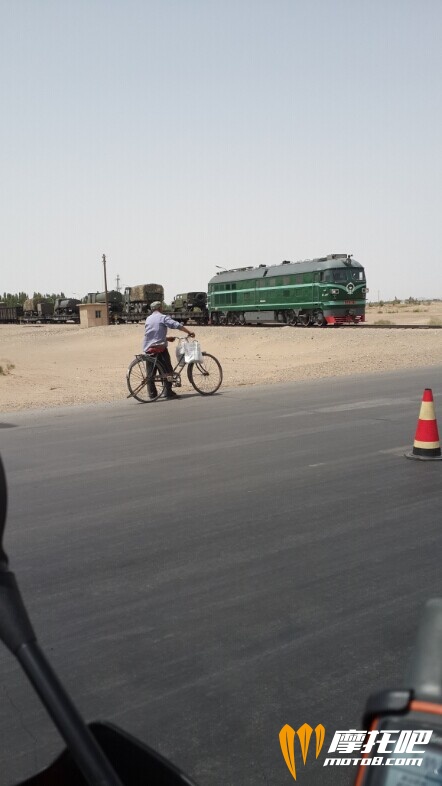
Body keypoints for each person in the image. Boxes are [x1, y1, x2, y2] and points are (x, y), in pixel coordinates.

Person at [143, 301, 195, 399]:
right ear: (160, 308)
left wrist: (166, 338)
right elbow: (176, 325)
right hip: (159, 348)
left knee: (151, 372)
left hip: (148, 347)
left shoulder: (148, 319)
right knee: (168, 370)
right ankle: (168, 391)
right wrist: (189, 331)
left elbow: (152, 334)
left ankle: (152, 394)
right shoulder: (163, 317)